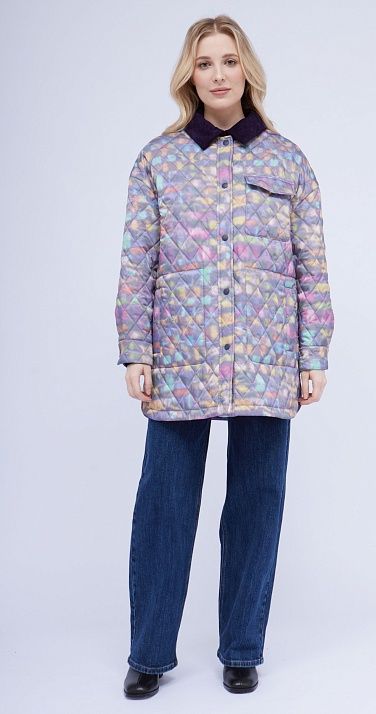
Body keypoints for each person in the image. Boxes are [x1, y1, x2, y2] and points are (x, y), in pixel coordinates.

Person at [115, 14, 334, 699]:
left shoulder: (287, 161)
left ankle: (242, 648)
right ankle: (149, 654)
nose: (218, 74)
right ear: (190, 73)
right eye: (205, 62)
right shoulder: (158, 160)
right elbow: (137, 263)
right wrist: (135, 349)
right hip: (180, 355)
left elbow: (311, 266)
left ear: (247, 70)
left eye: (229, 61)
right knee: (164, 508)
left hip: (268, 356)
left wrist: (314, 354)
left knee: (256, 505)